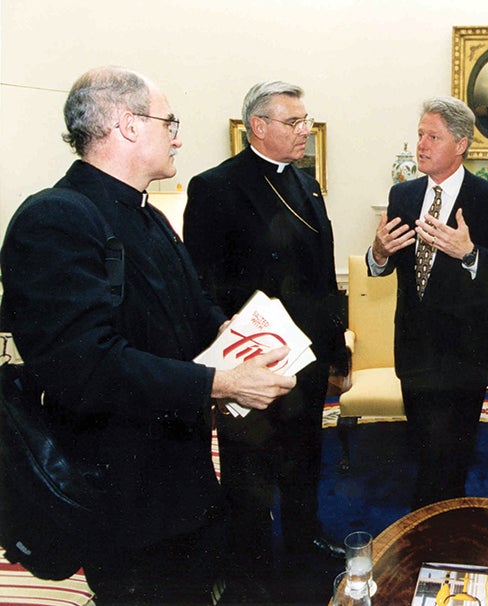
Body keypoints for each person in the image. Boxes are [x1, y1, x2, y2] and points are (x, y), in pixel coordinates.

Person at [0, 66, 296, 605]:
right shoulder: (56, 218)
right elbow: (86, 367)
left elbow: (191, 315)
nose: (178, 135)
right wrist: (220, 384)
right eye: (170, 122)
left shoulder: (150, 217)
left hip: (181, 485)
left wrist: (236, 332)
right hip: (122, 499)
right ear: (128, 126)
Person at [183, 81, 347, 601]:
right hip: (253, 359)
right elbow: (203, 282)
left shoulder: (307, 183)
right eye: (294, 123)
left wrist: (336, 348)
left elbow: (323, 275)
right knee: (250, 471)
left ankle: (304, 544)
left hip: (308, 357)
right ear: (258, 127)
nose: (305, 131)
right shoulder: (215, 187)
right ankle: (250, 570)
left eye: (305, 122)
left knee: (304, 458)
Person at [368, 96, 488, 509]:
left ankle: (442, 538)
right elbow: (385, 264)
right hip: (414, 351)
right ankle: (424, 532)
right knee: (422, 452)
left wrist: (470, 253)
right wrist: (379, 253)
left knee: (450, 461)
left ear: (461, 144)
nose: (421, 144)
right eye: (420, 134)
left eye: (432, 136)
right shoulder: (402, 195)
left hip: (463, 355)